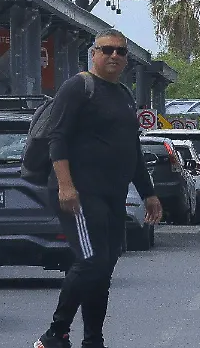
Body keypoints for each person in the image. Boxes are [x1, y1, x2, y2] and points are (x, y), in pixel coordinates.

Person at [35, 29, 163, 348]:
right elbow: (57, 138)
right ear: (93, 53)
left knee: (103, 269)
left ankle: (93, 339)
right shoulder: (78, 87)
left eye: (121, 52)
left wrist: (148, 193)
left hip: (112, 196)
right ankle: (55, 333)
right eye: (107, 50)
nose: (115, 56)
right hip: (79, 193)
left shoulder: (123, 95)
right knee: (91, 261)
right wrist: (66, 185)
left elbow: (131, 149)